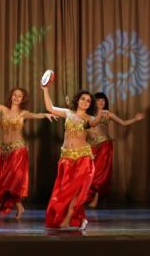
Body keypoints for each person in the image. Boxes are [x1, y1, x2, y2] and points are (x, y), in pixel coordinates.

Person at [0, 82, 57, 219]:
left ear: (23, 99)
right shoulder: (3, 109)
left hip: (18, 150)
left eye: (19, 96)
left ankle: (0, 206)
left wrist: (46, 115)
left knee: (10, 180)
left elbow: (35, 115)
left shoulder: (23, 113)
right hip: (5, 151)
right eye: (15, 95)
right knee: (5, 180)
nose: (16, 97)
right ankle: (19, 206)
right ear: (11, 96)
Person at [42, 86, 103, 229]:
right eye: (83, 99)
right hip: (66, 158)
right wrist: (45, 89)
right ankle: (80, 218)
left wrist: (100, 113)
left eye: (88, 101)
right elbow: (50, 107)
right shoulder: (68, 113)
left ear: (90, 105)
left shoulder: (89, 118)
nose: (85, 102)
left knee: (75, 190)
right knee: (63, 190)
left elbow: (94, 123)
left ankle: (69, 217)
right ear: (78, 100)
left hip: (83, 158)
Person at [85, 92, 145, 208]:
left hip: (104, 145)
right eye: (98, 100)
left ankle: (95, 199)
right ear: (94, 102)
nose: (101, 102)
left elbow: (123, 123)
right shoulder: (88, 114)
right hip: (91, 147)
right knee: (89, 173)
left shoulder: (107, 114)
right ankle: (87, 198)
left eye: (103, 100)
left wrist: (135, 119)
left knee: (99, 173)